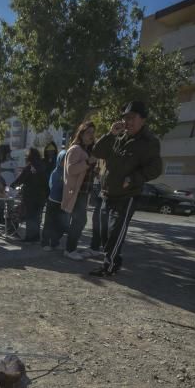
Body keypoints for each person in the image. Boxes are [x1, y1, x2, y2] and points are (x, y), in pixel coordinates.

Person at [90, 101, 162, 276]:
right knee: (103, 232)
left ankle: (109, 266)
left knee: (115, 233)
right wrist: (110, 133)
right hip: (107, 192)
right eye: (125, 118)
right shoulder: (119, 137)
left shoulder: (149, 142)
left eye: (132, 118)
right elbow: (97, 152)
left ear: (142, 120)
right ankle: (114, 260)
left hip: (127, 196)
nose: (127, 122)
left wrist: (133, 178)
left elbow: (155, 169)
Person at [61, 121, 96, 261]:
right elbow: (71, 169)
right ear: (81, 133)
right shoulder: (76, 149)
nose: (91, 136)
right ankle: (70, 249)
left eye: (93, 133)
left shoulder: (87, 150)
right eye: (88, 132)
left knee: (79, 221)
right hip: (77, 191)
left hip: (83, 191)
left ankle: (71, 248)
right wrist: (88, 162)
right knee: (79, 221)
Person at [10, 147, 49, 242]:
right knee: (37, 217)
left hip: (31, 196)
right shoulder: (43, 165)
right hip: (42, 197)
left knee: (30, 217)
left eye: (26, 156)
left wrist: (11, 186)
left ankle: (29, 238)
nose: (25, 157)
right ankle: (36, 237)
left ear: (30, 156)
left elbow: (20, 179)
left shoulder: (30, 166)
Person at [41, 148, 68, 250]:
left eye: (66, 160)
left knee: (60, 224)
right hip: (53, 201)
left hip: (63, 203)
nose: (64, 163)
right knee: (49, 223)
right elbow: (51, 186)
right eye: (62, 160)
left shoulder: (68, 173)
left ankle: (55, 242)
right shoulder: (55, 172)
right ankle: (45, 243)